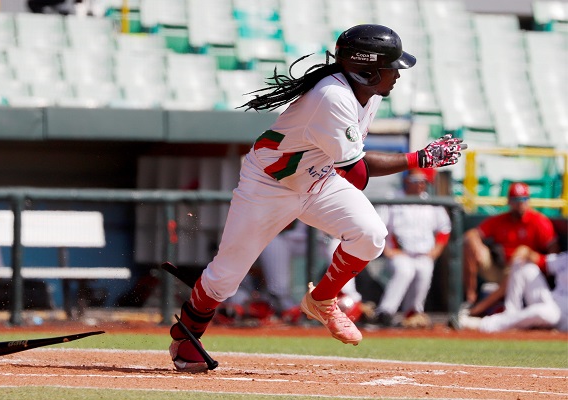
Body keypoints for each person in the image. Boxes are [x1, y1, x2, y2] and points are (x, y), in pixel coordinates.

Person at [167, 23, 466, 373]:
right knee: (224, 278)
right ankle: (185, 336)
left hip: (318, 178)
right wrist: (420, 159)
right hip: (269, 185)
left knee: (371, 235)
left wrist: (418, 158)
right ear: (366, 71)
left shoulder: (365, 95)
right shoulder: (333, 97)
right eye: (391, 67)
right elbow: (358, 174)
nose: (397, 75)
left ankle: (322, 299)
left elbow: (351, 165)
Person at [217, 220, 367, 325]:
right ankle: (285, 304)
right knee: (273, 242)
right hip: (294, 238)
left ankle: (348, 300)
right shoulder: (284, 182)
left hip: (324, 239)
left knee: (337, 245)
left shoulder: (331, 180)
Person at [369, 169, 451, 328]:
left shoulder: (431, 202)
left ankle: (412, 312)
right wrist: (387, 250)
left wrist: (437, 250)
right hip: (400, 254)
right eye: (417, 181)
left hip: (424, 253)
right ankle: (385, 312)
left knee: (424, 271)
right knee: (404, 271)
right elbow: (378, 226)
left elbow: (445, 228)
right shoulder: (393, 199)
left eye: (423, 182)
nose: (421, 185)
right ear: (407, 181)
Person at [462, 182, 559, 315]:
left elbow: (554, 256)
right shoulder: (501, 219)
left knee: (520, 259)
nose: (520, 203)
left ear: (529, 200)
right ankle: (470, 297)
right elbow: (472, 234)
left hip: (526, 271)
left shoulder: (538, 221)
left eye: (523, 199)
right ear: (509, 201)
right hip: (500, 266)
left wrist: (542, 267)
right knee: (469, 243)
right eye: (516, 200)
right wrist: (476, 244)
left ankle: (477, 310)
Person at [454, 246, 567, 332]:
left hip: (561, 314)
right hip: (552, 300)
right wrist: (527, 251)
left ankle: (483, 324)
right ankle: (511, 312)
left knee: (543, 312)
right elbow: (543, 262)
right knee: (522, 263)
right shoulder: (565, 258)